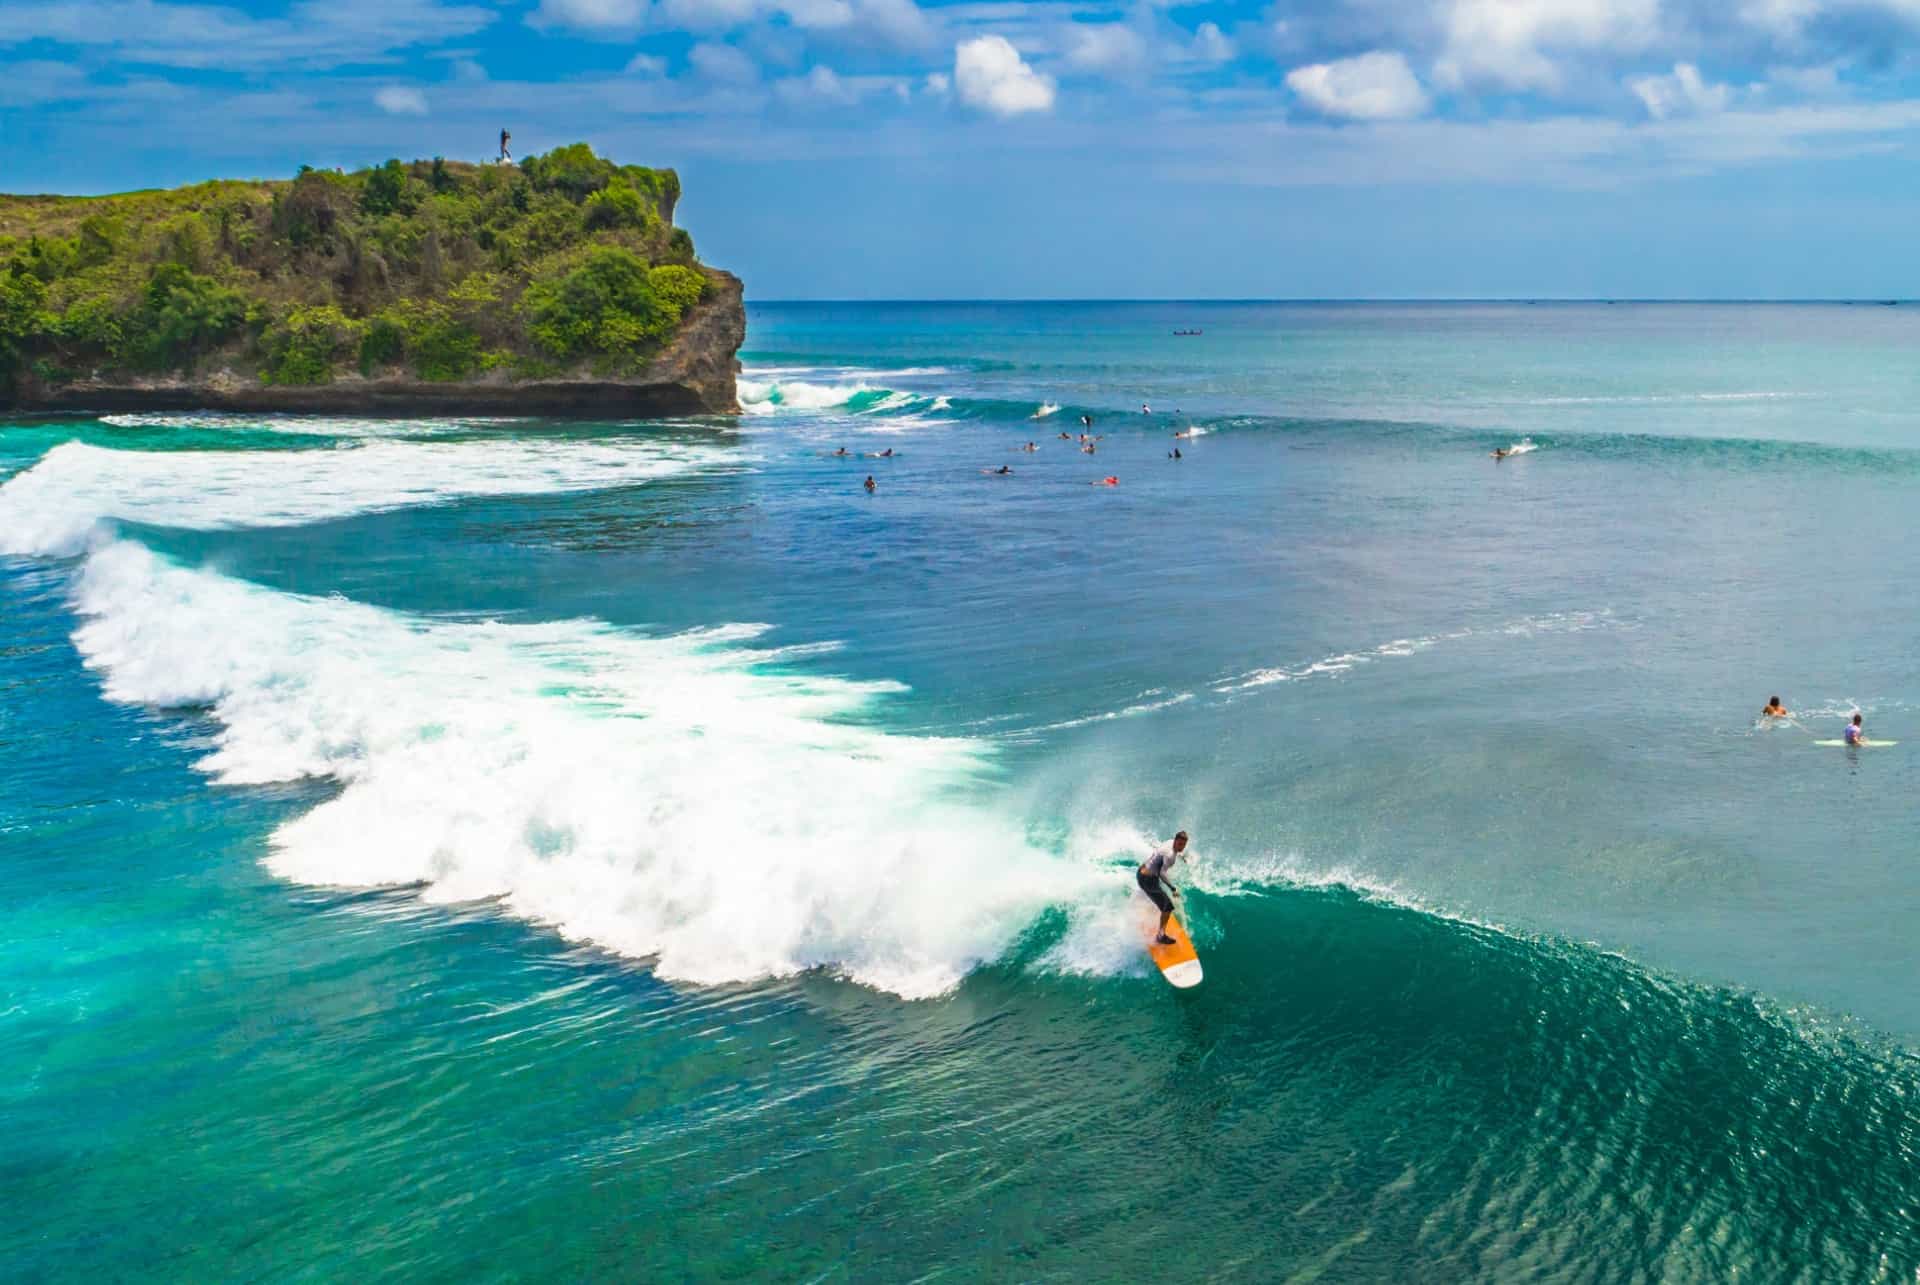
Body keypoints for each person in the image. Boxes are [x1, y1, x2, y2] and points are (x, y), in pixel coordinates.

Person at [1137, 832, 1191, 945]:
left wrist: (1182, 856)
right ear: (1175, 841)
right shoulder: (1169, 856)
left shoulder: (1169, 842)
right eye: (1180, 844)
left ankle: (1143, 903)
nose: (1182, 847)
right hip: (1147, 881)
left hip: (1141, 871)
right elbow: (1162, 873)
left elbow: (1169, 853)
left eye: (1184, 845)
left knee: (1158, 893)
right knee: (1168, 907)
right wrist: (1173, 888)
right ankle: (1160, 936)